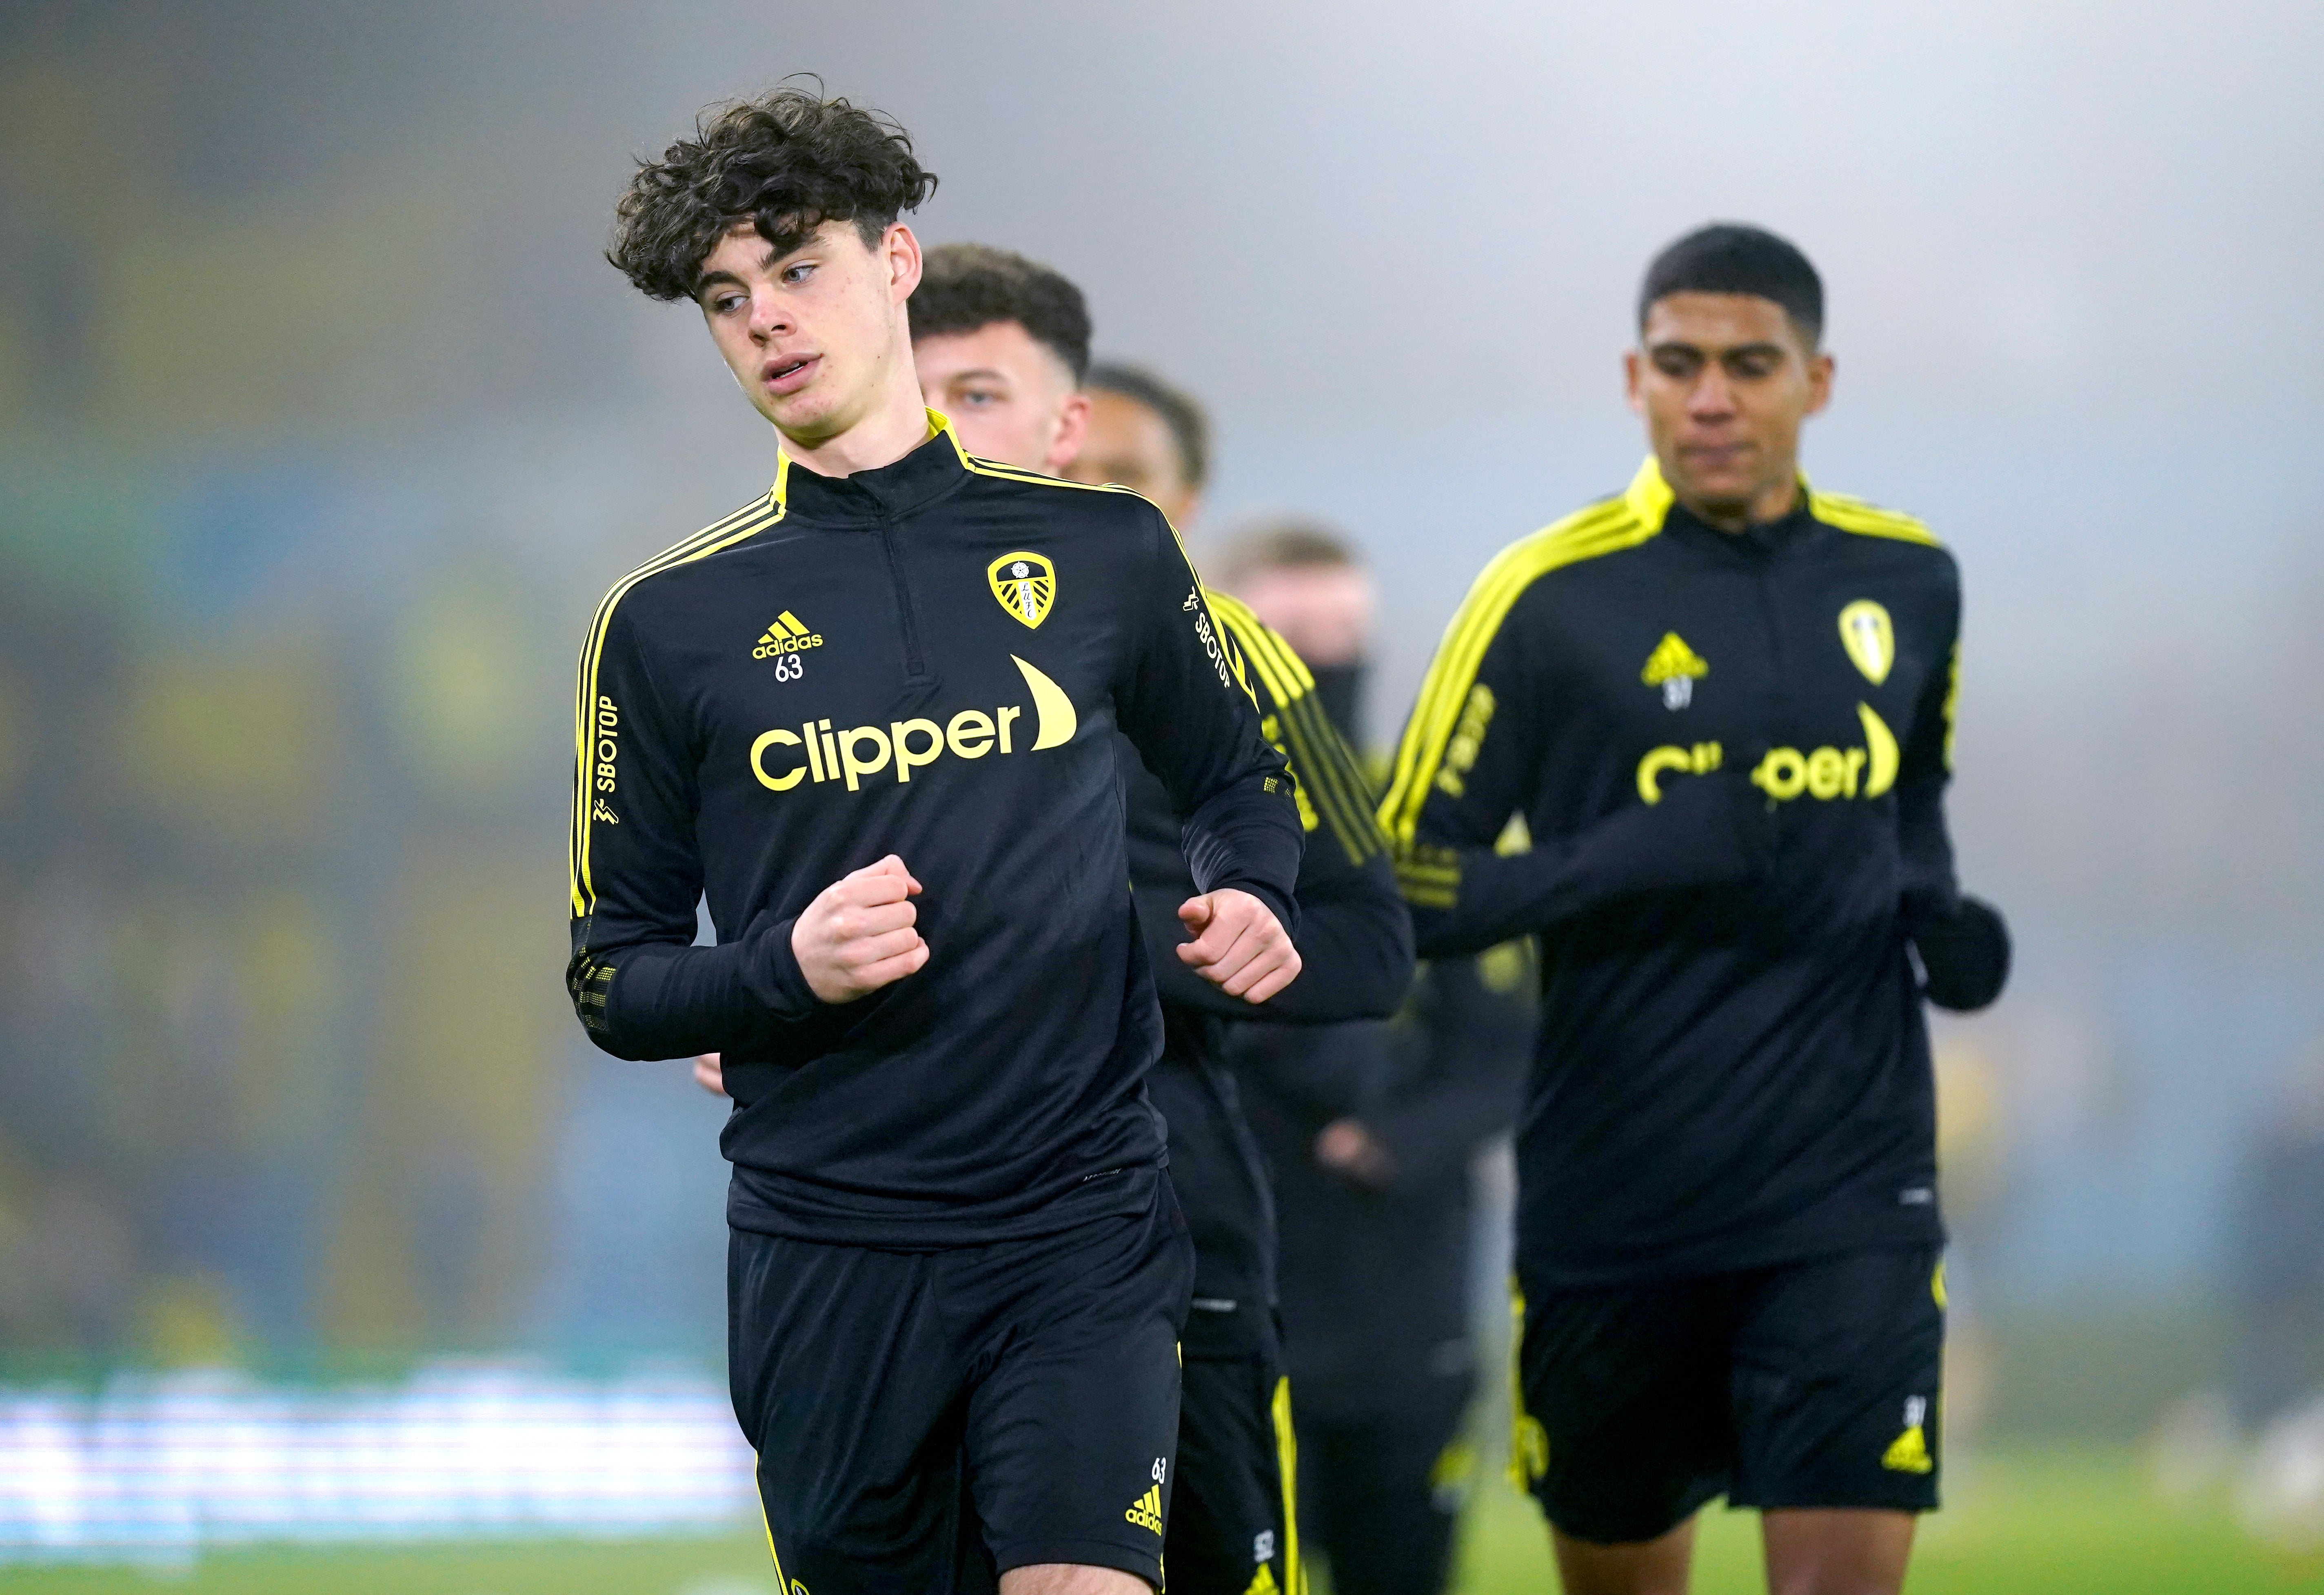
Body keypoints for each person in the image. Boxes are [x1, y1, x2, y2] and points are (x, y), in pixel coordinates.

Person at [573, 90, 1306, 1595]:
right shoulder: (665, 626)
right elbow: (614, 981)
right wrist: (784, 969)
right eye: (727, 299)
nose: (766, 321)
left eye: (797, 269)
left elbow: (1238, 780)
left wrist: (1252, 892)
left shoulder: (1104, 554)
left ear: (897, 261)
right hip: (830, 1260)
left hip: (1084, 1224)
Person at [1375, 223, 2010, 1595]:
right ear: (1634, 376)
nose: (1710, 396)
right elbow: (1400, 890)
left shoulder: (1912, 582)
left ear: (1817, 382)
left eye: (1748, 364)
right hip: (1621, 1191)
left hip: (1854, 1185)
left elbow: (1913, 807)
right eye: (1679, 365)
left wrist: (1940, 913)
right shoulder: (1542, 597)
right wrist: (1625, 856)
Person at [910, 246, 1415, 1595]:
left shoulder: (1236, 670)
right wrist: (758, 987)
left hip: (1176, 1212)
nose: (1084, 498)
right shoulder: (847, 661)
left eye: (1122, 479)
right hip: (907, 1235)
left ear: (1182, 503)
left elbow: (1372, 943)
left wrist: (1162, 948)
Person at [1210, 522, 1531, 1595]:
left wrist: (1392, 1138)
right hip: (1215, 1275)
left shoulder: (1433, 826)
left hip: (1405, 1290)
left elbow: (1507, 1050)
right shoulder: (1162, 817)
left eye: (1346, 637)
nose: (1326, 664)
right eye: (1294, 638)